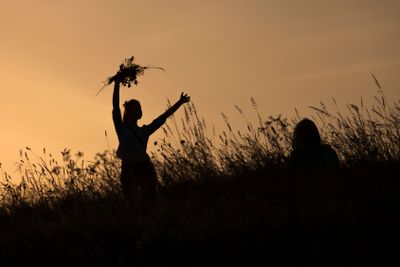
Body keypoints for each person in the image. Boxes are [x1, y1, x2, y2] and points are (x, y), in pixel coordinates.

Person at [112, 76, 190, 209]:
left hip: (145, 167)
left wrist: (180, 102)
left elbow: (163, 117)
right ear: (129, 112)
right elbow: (116, 107)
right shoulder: (122, 129)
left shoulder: (144, 131)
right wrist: (117, 84)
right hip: (128, 168)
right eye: (136, 108)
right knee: (129, 201)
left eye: (140, 108)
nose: (140, 110)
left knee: (149, 200)